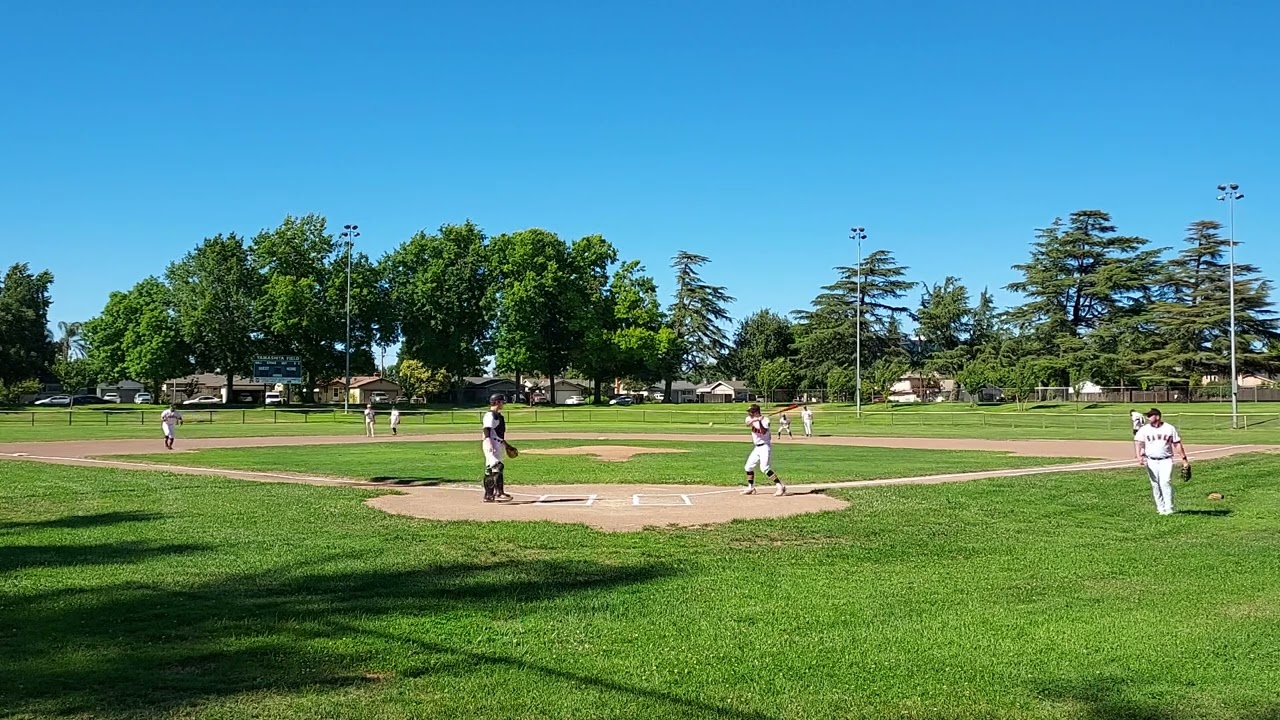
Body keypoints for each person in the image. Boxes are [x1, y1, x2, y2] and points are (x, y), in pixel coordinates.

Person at [1134, 407, 1189, 516]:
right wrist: (1139, 456)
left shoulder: (1169, 428)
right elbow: (1138, 442)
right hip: (1151, 461)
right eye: (1148, 415)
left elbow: (1177, 444)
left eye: (1151, 415)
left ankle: (1169, 508)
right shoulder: (1144, 429)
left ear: (1158, 416)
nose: (1148, 417)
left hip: (1166, 460)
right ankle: (1160, 508)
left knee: (1165, 482)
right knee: (1155, 484)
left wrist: (1184, 459)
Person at [742, 403, 786, 496]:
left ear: (756, 412)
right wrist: (756, 419)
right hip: (756, 447)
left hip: (765, 446)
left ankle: (780, 486)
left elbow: (763, 431)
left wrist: (760, 422)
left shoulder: (766, 420)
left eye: (751, 412)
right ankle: (751, 487)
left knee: (764, 468)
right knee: (748, 467)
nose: (749, 413)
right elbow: (747, 424)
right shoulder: (750, 418)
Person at [482, 393, 515, 503]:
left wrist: (506, 445)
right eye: (501, 401)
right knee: (498, 466)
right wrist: (489, 444)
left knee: (489, 470)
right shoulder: (490, 415)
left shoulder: (498, 416)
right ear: (496, 402)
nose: (503, 404)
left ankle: (488, 495)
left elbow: (498, 435)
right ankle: (500, 493)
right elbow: (487, 431)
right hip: (490, 444)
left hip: (497, 443)